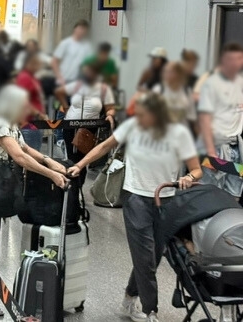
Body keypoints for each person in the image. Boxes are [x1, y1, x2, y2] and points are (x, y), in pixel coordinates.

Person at [67, 92, 202, 322]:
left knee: (152, 257)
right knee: (146, 259)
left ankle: (129, 297)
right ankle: (151, 311)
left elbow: (197, 169)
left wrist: (189, 177)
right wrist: (79, 165)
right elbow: (104, 147)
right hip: (136, 199)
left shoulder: (180, 134)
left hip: (166, 200)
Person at [0, 85, 68, 322]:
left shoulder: (10, 123)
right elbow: (19, 156)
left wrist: (49, 161)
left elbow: (25, 147)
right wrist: (51, 174)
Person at [198, 42, 243, 201]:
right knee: (209, 194)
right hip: (216, 146)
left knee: (234, 195)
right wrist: (210, 151)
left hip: (236, 148)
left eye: (239, 59)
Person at [55, 63, 116, 179]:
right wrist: (66, 108)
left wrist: (110, 115)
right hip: (70, 125)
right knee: (70, 159)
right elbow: (59, 92)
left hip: (89, 128)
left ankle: (79, 186)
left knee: (83, 160)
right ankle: (71, 187)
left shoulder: (103, 89)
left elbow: (110, 108)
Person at [152, 62, 196, 133]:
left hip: (181, 131)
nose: (165, 74)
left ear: (178, 74)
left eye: (169, 72)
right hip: (163, 130)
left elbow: (191, 116)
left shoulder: (187, 91)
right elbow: (152, 112)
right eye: (164, 71)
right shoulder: (158, 90)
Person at [15, 53, 47, 151]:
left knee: (35, 151)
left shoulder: (32, 77)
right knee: (31, 154)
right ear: (29, 63)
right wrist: (38, 114)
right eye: (36, 64)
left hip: (35, 122)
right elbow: (22, 100)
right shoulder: (24, 77)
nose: (38, 67)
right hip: (29, 123)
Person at [51, 20, 92, 85]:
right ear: (75, 29)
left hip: (78, 81)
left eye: (84, 29)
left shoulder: (87, 46)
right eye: (80, 28)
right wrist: (59, 77)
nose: (82, 31)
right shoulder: (65, 43)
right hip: (64, 79)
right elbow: (54, 61)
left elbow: (89, 63)